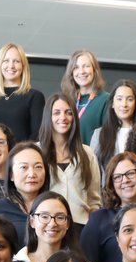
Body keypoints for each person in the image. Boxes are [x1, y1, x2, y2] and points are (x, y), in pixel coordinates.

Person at [38, 93, 102, 226]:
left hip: (81, 227)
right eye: (57, 113)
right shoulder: (36, 152)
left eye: (68, 113)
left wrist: (93, 227)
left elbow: (94, 200)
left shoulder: (87, 153)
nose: (63, 117)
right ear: (48, 117)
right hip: (47, 227)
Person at [79, 152, 136, 262]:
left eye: (131, 173)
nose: (125, 180)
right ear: (111, 183)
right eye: (118, 177)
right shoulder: (99, 219)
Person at [0, 142, 49, 250]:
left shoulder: (55, 207)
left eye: (38, 167)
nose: (32, 174)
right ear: (11, 175)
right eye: (24, 167)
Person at [7, 191, 81, 262]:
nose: (52, 224)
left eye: (60, 217)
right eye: (44, 216)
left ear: (68, 224)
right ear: (32, 222)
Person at [0, 42, 44, 141]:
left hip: (24, 155)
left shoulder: (34, 97)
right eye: (6, 61)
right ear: (0, 65)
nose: (11, 66)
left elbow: (37, 135)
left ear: (23, 66)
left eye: (16, 61)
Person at [90, 79, 136, 171]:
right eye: (119, 99)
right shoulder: (99, 135)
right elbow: (93, 172)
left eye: (129, 99)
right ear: (112, 103)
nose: (124, 104)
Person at [61, 49, 110, 146]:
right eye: (76, 67)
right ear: (71, 72)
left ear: (94, 70)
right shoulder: (67, 101)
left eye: (86, 66)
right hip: (68, 158)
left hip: (92, 159)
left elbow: (108, 138)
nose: (81, 72)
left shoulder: (106, 100)